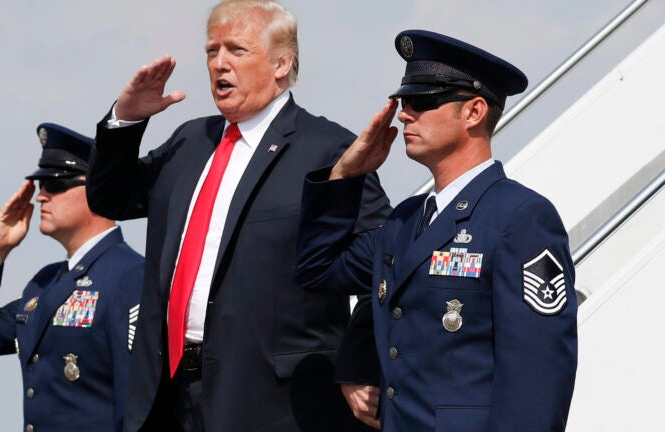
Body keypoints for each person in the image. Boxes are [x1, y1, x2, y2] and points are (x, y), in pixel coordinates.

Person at [85, 1, 391, 430]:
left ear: (281, 64)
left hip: (275, 403)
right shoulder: (191, 140)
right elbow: (110, 199)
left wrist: (358, 363)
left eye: (236, 50)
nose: (219, 63)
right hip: (169, 394)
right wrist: (125, 120)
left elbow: (386, 259)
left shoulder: (327, 150)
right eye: (212, 51)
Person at [294, 29, 578, 432]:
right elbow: (317, 268)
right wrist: (345, 175)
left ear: (474, 112)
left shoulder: (521, 218)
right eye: (404, 102)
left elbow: (537, 377)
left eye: (423, 101)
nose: (404, 114)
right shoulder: (405, 221)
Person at [0, 123, 145, 432]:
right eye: (41, 186)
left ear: (96, 187)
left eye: (55, 185)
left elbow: (137, 404)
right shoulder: (46, 282)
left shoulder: (129, 276)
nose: (40, 197)